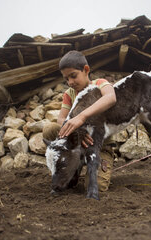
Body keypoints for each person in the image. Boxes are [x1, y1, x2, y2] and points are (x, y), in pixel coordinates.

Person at [43, 50, 117, 191]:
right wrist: (77, 131)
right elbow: (61, 119)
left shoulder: (99, 84)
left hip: (99, 145)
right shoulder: (69, 94)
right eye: (66, 79)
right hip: (76, 144)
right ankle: (64, 167)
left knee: (96, 186)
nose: (70, 82)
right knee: (50, 129)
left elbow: (111, 98)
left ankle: (96, 164)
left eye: (73, 76)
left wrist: (82, 118)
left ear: (86, 70)